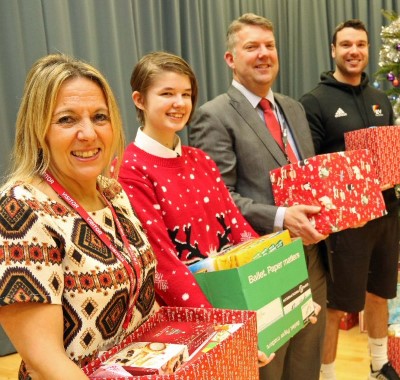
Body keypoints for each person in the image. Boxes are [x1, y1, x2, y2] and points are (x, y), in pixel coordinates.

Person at [0, 54, 157, 379]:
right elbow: (45, 361)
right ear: (39, 128)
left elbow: (142, 306)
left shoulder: (112, 192)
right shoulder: (21, 209)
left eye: (100, 117)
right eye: (67, 120)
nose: (88, 133)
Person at [188, 13, 327, 380]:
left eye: (269, 45)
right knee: (270, 368)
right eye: (252, 47)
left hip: (311, 255)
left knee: (306, 362)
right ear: (231, 59)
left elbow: (307, 179)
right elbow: (219, 201)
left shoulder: (293, 109)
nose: (264, 54)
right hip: (261, 264)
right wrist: (282, 217)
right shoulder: (213, 116)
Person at [117, 51, 273, 366]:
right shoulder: (130, 169)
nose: (179, 103)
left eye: (186, 94)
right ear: (139, 99)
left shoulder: (200, 159)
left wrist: (282, 286)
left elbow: (239, 228)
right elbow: (163, 265)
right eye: (167, 93)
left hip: (233, 306)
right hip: (186, 328)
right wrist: (222, 329)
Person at [299, 19, 400, 380]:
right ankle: (327, 375)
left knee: (380, 294)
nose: (353, 51)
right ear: (333, 51)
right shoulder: (314, 102)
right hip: (344, 224)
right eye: (345, 45)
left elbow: (389, 159)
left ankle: (378, 365)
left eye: (360, 44)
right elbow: (310, 166)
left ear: (368, 50)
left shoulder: (379, 99)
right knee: (335, 306)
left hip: (385, 214)